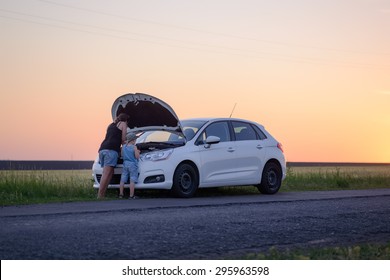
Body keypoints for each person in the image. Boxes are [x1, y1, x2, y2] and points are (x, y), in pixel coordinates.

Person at [97, 113, 129, 199]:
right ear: (126, 120)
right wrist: (129, 143)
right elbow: (123, 139)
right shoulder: (123, 124)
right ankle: (100, 196)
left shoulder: (110, 125)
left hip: (102, 149)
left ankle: (103, 194)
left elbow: (110, 136)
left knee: (110, 173)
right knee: (106, 174)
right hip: (111, 150)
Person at [119, 132, 140, 199]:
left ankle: (121, 194)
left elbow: (122, 155)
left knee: (123, 179)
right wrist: (138, 152)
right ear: (133, 140)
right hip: (132, 164)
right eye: (135, 140)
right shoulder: (134, 147)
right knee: (132, 179)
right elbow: (137, 157)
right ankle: (131, 195)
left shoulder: (124, 147)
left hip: (125, 164)